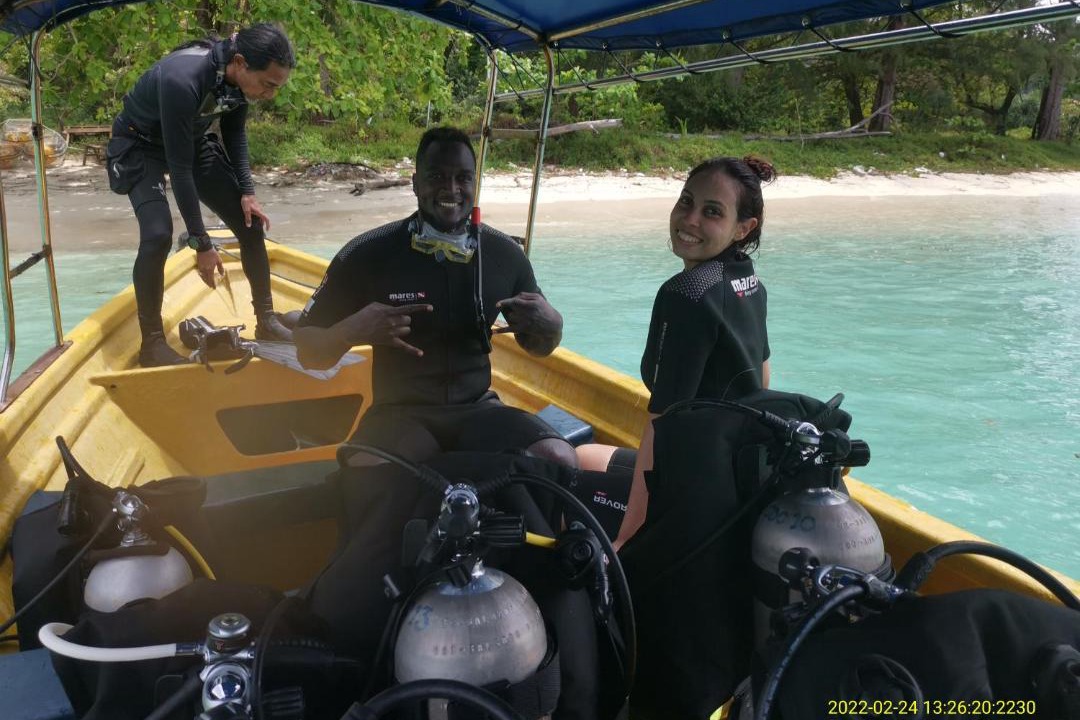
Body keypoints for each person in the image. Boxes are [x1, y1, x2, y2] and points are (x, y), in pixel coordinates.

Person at [293, 126, 578, 469]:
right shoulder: (367, 253)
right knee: (369, 468)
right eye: (437, 177)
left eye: (463, 178)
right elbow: (309, 353)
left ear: (475, 184)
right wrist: (352, 330)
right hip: (399, 414)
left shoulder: (503, 254)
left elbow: (540, 346)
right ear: (415, 183)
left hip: (478, 409)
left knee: (559, 458)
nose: (451, 189)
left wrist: (554, 325)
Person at [593, 155, 775, 548]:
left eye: (712, 211)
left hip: (693, 486)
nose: (690, 219)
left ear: (744, 228)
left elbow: (662, 425)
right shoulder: (750, 284)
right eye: (686, 202)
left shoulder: (685, 293)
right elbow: (761, 381)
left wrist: (631, 536)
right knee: (589, 456)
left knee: (568, 465)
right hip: (731, 471)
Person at [106, 23, 296, 367]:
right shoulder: (182, 79)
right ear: (240, 62)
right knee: (157, 234)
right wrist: (201, 243)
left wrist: (248, 193)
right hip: (141, 144)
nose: (270, 95)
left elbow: (234, 136)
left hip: (189, 140)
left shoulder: (238, 81)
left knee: (250, 225)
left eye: (277, 88)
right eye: (268, 85)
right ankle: (151, 344)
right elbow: (180, 171)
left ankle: (266, 321)